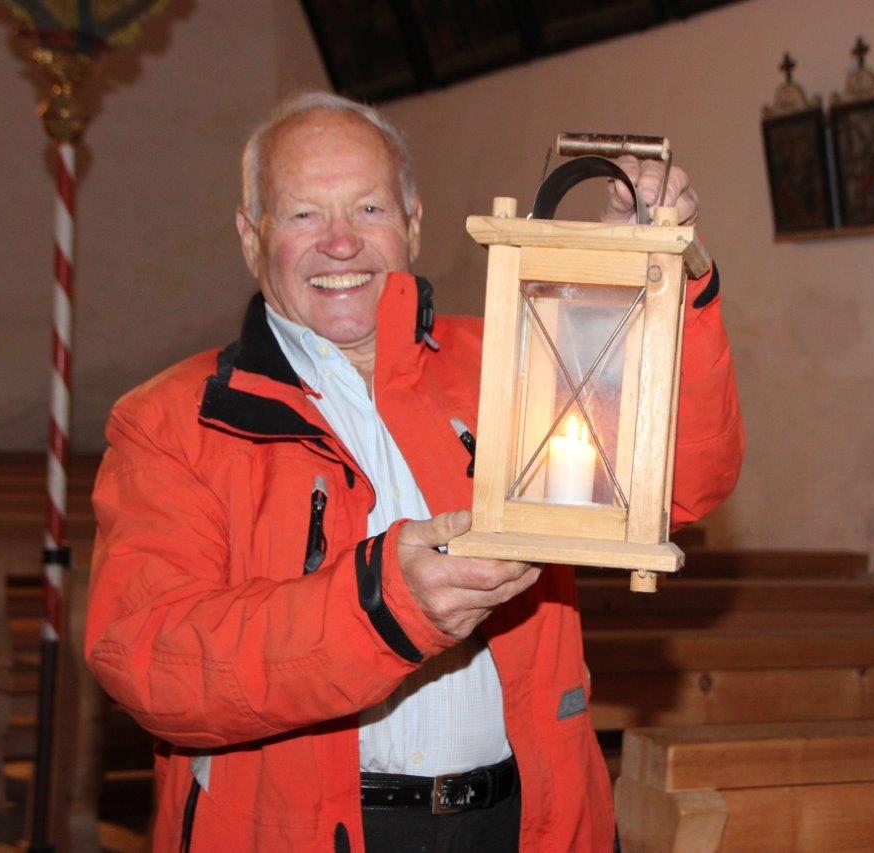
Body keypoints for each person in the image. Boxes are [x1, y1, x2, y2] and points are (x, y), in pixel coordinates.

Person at [85, 90, 742, 852]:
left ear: (414, 224)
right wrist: (382, 604)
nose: (341, 243)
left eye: (368, 209)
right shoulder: (175, 420)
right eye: (304, 214)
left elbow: (678, 484)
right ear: (250, 236)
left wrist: (648, 281)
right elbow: (150, 658)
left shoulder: (513, 358)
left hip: (524, 819)